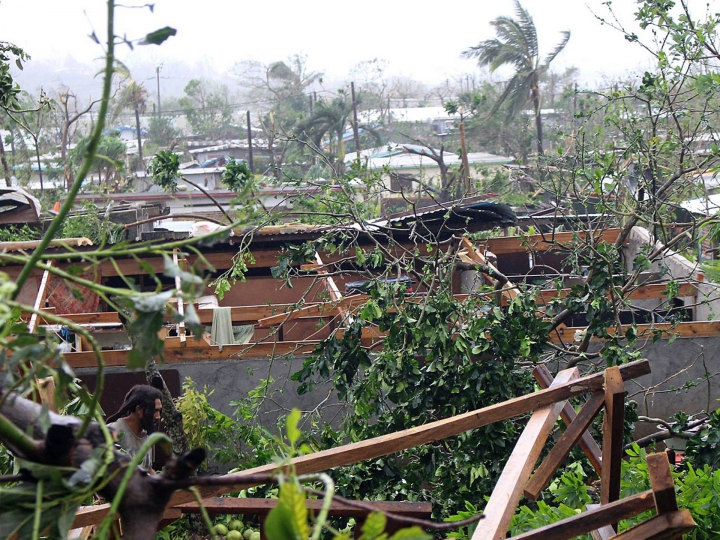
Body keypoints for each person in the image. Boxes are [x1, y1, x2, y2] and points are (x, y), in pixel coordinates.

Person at [106, 385, 163, 471]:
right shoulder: (113, 431)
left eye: (159, 411)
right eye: (154, 411)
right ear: (139, 409)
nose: (158, 416)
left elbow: (148, 470)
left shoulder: (147, 437)